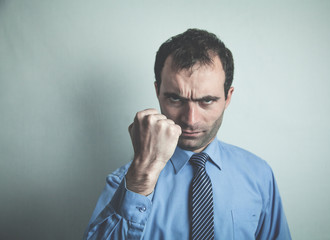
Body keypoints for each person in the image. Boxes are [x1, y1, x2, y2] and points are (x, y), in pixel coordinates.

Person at [83, 28, 291, 240]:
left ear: (228, 97)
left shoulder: (259, 175)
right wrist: (140, 180)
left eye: (207, 100)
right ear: (158, 92)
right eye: (175, 99)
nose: (190, 120)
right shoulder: (126, 182)